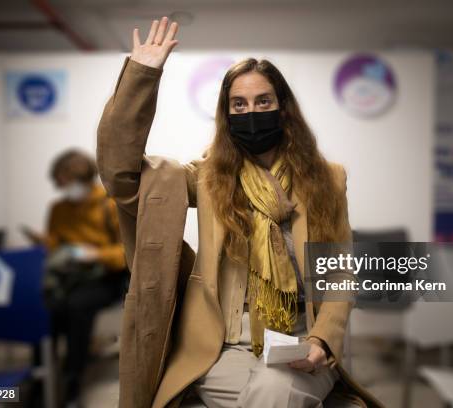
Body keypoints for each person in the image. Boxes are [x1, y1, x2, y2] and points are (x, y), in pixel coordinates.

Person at [97, 17, 383, 408]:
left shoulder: (327, 179)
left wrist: (322, 340)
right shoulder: (210, 178)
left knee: (273, 389)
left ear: (283, 109)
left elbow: (338, 270)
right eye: (239, 104)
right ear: (227, 115)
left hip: (299, 341)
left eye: (263, 101)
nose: (252, 112)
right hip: (221, 349)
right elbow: (120, 175)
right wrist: (142, 77)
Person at [23, 149, 128, 407]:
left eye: (64, 182)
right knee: (45, 308)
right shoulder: (58, 208)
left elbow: (127, 252)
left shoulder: (109, 204)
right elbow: (57, 242)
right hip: (70, 276)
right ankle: (40, 377)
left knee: (77, 306)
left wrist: (96, 255)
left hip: (105, 276)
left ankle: (73, 378)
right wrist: (44, 244)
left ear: (82, 180)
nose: (61, 188)